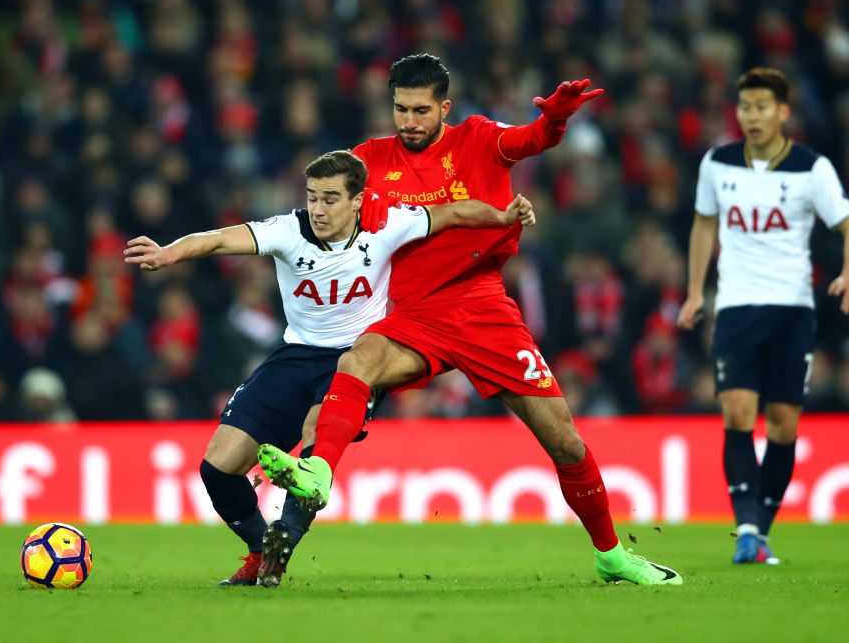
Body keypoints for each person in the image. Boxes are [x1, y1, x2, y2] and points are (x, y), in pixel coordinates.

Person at [258, 54, 682, 586]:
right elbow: (325, 201)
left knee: (565, 441)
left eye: (419, 110)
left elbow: (530, 141)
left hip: (483, 307)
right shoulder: (369, 161)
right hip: (413, 312)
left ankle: (612, 555)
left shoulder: (478, 138)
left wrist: (555, 120)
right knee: (357, 360)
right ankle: (314, 480)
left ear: (444, 108)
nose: (408, 122)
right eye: (399, 110)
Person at [123, 149, 537, 587]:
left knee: (315, 441)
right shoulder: (288, 230)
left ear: (358, 200)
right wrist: (170, 253)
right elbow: (220, 238)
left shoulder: (388, 224)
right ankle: (262, 550)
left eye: (331, 199)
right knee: (217, 469)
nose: (318, 209)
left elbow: (452, 212)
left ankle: (285, 538)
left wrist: (502, 214)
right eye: (313, 197)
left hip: (356, 360)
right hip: (294, 355)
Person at [676, 67, 849, 564]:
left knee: (782, 425)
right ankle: (746, 528)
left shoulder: (811, 167)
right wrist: (695, 292)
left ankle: (760, 529)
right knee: (737, 413)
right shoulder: (717, 163)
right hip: (736, 306)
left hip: (792, 310)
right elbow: (702, 225)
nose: (752, 116)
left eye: (761, 107)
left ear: (783, 111)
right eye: (744, 107)